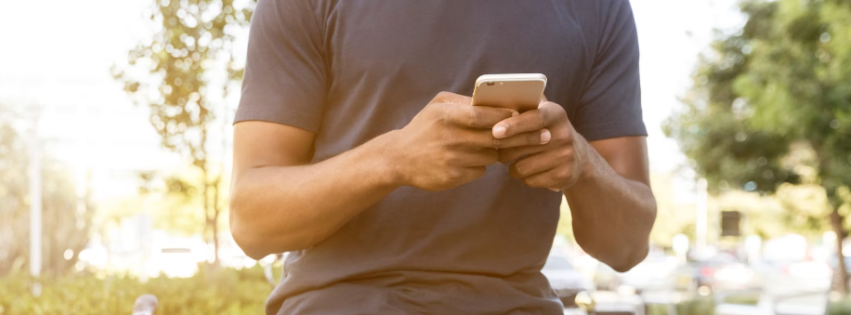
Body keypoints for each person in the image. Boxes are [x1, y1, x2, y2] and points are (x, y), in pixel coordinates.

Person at [229, 1, 657, 314]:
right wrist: (392, 159)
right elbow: (252, 222)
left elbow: (628, 247)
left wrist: (580, 165)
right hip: (341, 303)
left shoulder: (598, 9)